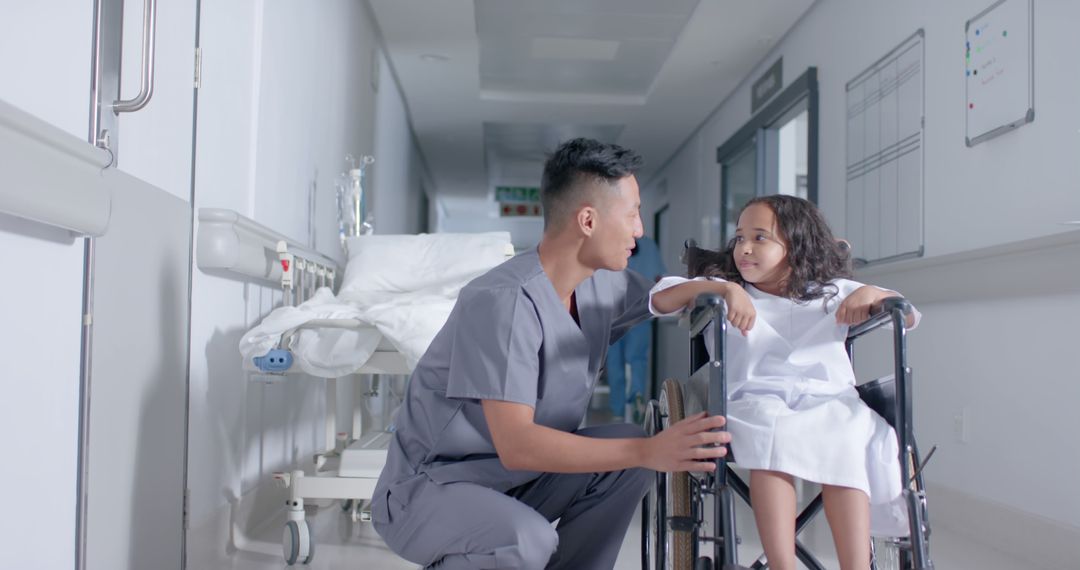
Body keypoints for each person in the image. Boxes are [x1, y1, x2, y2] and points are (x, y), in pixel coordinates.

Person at [370, 138, 730, 570]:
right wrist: (650, 451)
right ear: (588, 220)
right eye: (632, 213)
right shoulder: (502, 301)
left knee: (626, 447)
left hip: (513, 482)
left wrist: (720, 288)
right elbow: (518, 445)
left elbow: (661, 295)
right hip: (430, 490)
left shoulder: (599, 286)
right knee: (528, 541)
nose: (639, 230)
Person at [649, 195, 919, 570]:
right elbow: (661, 299)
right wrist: (727, 291)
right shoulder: (723, 288)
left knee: (848, 438)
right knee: (772, 437)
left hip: (830, 402)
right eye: (740, 237)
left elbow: (905, 315)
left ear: (796, 244)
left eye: (760, 238)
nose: (744, 248)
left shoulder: (832, 291)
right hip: (754, 401)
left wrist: (872, 294)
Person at [605, 235, 666, 422]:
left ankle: (618, 412)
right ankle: (636, 397)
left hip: (612, 315)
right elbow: (660, 279)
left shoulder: (610, 242)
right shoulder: (649, 245)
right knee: (636, 359)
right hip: (640, 313)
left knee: (614, 363)